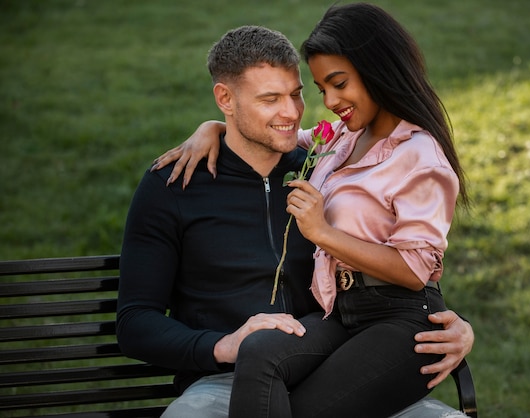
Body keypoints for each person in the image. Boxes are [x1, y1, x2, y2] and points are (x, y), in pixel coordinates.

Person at [150, 4, 472, 418]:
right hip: (343, 313)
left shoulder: (420, 156)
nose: (331, 101)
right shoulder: (342, 137)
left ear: (378, 69)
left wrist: (322, 233)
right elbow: (272, 134)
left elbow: (414, 272)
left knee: (301, 410)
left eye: (339, 84)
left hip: (401, 322)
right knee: (260, 353)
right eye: (321, 89)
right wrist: (212, 126)